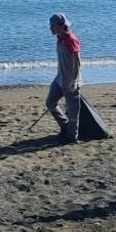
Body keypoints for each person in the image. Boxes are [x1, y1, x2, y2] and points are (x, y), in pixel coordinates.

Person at [46, 12, 82, 144]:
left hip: (71, 81)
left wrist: (75, 80)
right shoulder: (59, 38)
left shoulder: (70, 39)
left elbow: (77, 62)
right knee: (50, 103)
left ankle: (72, 137)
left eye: (52, 25)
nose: (50, 28)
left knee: (73, 113)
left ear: (60, 26)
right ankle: (65, 127)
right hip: (59, 78)